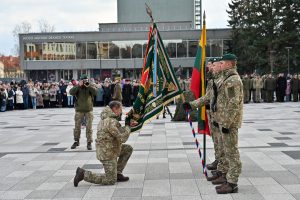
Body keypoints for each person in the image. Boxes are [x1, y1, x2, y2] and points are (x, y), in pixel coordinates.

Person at [73, 101, 133, 186]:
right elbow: (122, 138)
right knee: (110, 180)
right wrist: (128, 126)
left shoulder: (108, 119)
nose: (121, 111)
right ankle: (83, 174)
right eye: (120, 109)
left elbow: (118, 132)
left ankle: (117, 173)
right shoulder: (110, 121)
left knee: (128, 149)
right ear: (115, 109)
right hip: (107, 153)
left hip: (110, 148)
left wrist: (128, 126)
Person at [213, 54, 243, 194]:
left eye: (223, 62)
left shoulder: (233, 80)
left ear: (230, 64)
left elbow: (233, 104)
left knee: (232, 153)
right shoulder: (226, 78)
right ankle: (228, 178)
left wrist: (226, 123)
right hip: (224, 120)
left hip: (229, 123)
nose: (221, 64)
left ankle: (232, 183)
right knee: (228, 152)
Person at [70, 74, 97, 150]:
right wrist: (79, 85)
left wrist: (89, 86)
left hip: (89, 110)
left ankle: (89, 142)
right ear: (80, 80)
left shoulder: (89, 87)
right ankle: (76, 141)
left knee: (89, 127)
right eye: (83, 80)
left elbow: (95, 93)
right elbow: (71, 92)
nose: (85, 82)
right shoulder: (78, 87)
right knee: (77, 127)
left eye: (86, 80)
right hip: (79, 110)